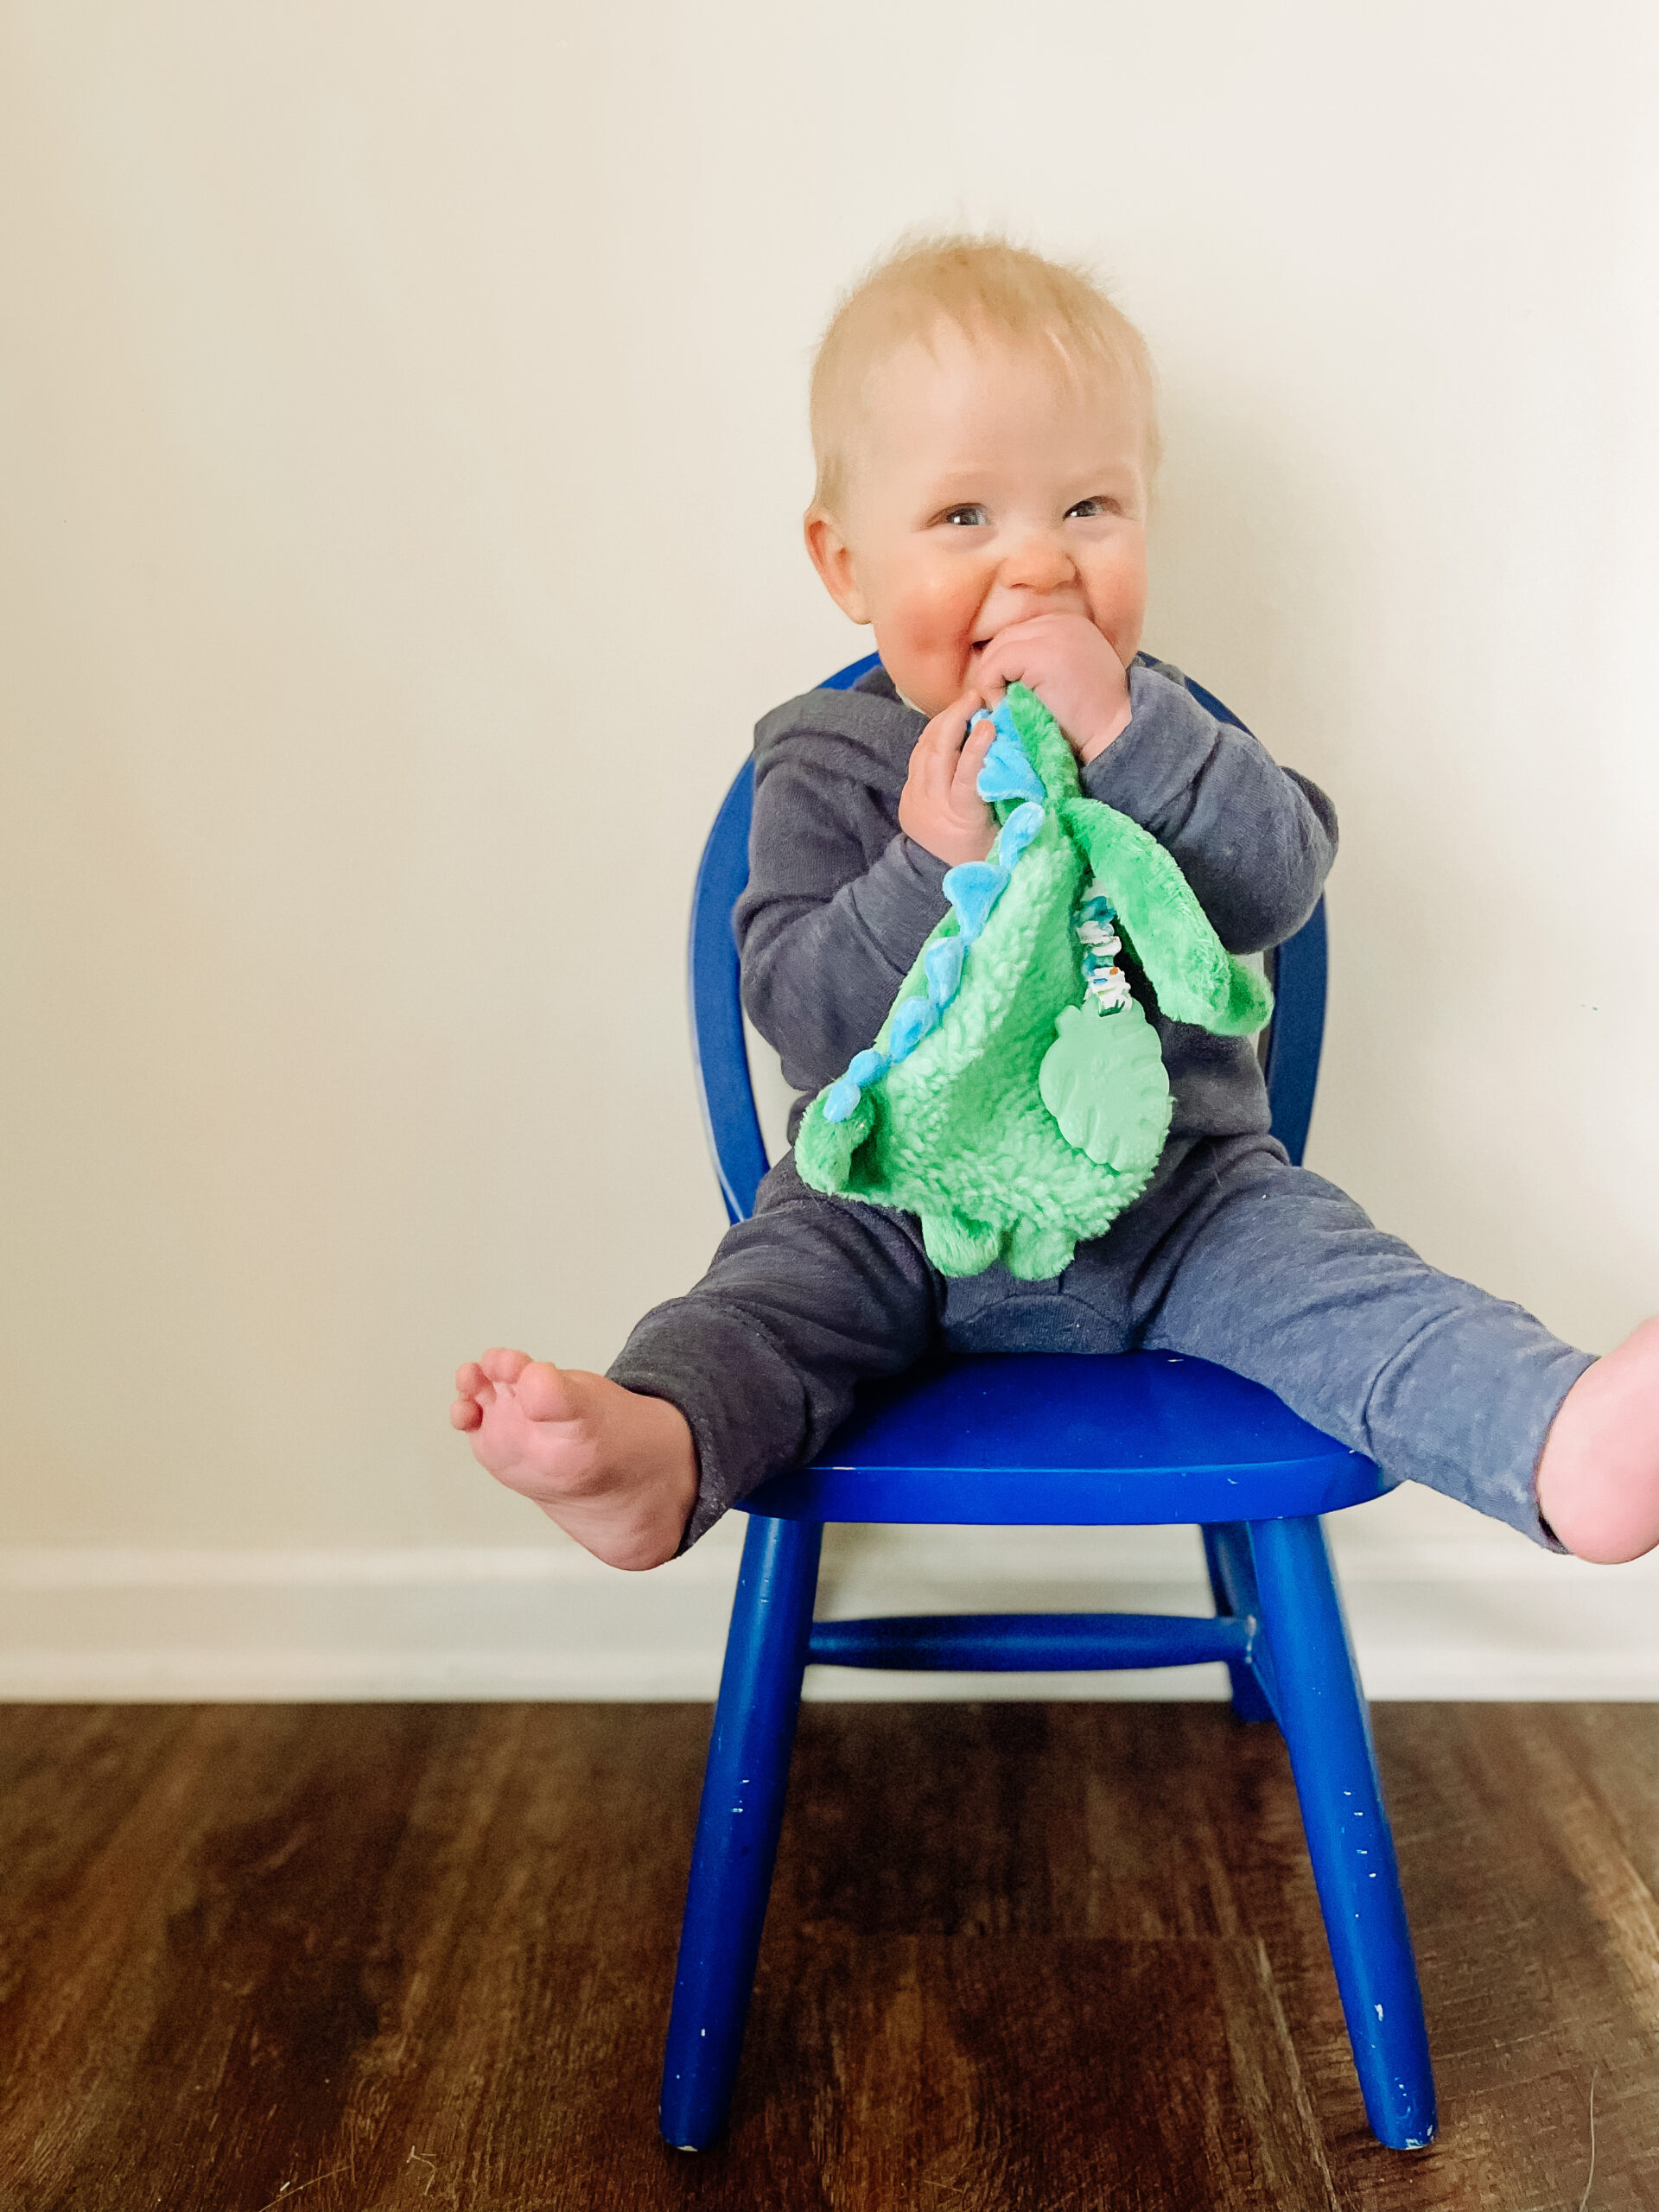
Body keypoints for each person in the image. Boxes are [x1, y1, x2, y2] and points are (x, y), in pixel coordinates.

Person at [451, 235, 1659, 1574]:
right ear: (846, 564)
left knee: (1351, 1293)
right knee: (760, 1301)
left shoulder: (1168, 726)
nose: (1037, 566)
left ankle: (1556, 1441)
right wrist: (927, 862)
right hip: (889, 1204)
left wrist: (1133, 734)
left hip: (1183, 1197)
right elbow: (803, 1018)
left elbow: (1276, 887)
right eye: (966, 517)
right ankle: (658, 1451)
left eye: (1088, 508)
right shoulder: (822, 759)